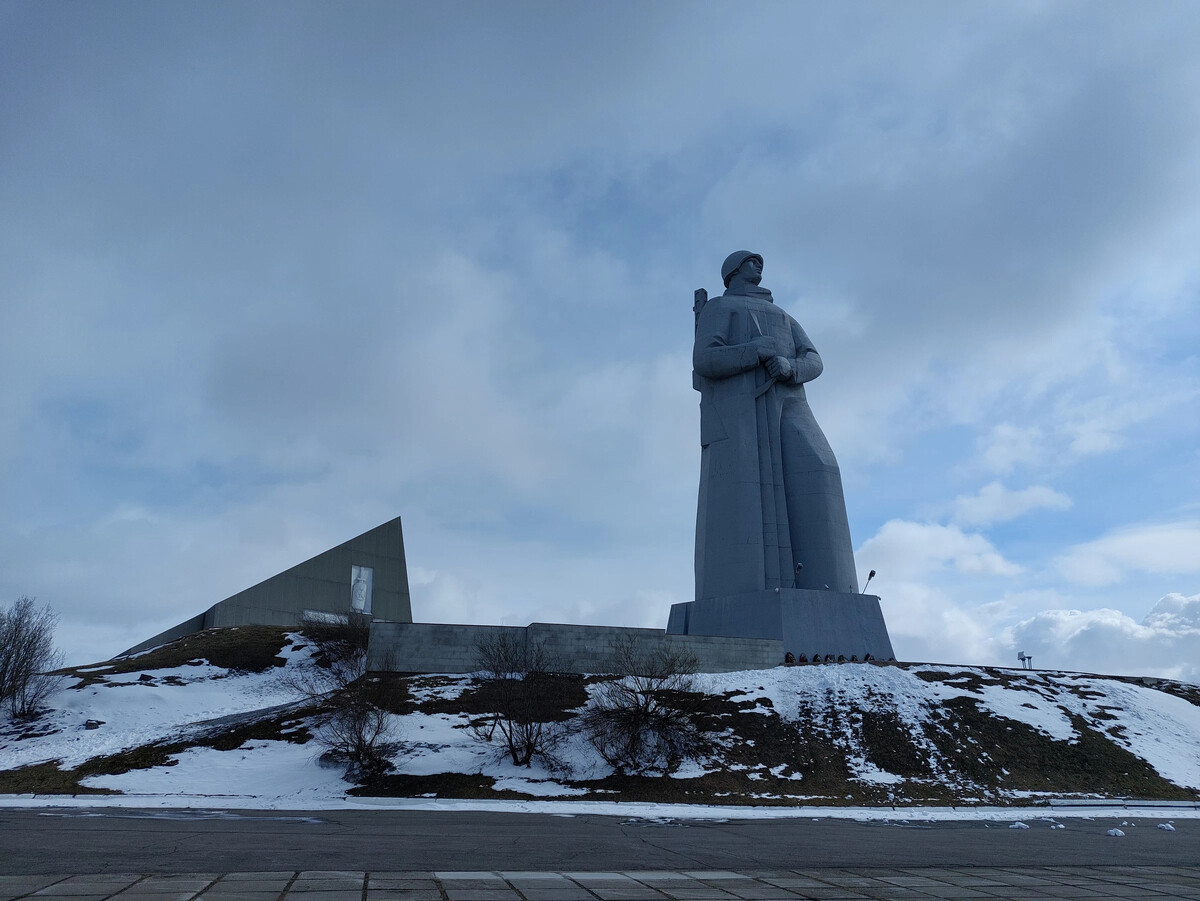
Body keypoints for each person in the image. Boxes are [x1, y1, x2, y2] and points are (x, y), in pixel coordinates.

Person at [693, 251, 859, 600]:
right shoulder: (719, 309)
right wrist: (753, 351)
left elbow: (813, 358)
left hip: (791, 400)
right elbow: (705, 358)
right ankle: (746, 591)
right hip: (742, 409)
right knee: (746, 494)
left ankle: (833, 592)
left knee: (820, 467)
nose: (759, 266)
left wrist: (788, 366)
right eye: (751, 262)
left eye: (760, 262)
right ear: (733, 271)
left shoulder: (782, 316)